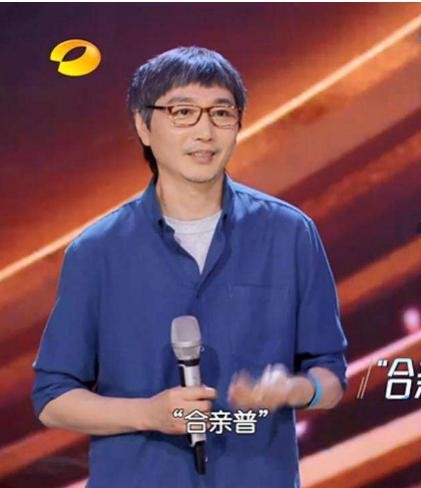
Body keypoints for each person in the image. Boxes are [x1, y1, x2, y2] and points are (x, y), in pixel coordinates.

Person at [31, 46, 348, 487]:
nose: (205, 132)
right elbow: (53, 398)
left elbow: (330, 377)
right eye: (183, 113)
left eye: (221, 113)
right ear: (143, 125)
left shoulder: (289, 233)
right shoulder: (96, 251)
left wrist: (296, 389)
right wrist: (149, 414)